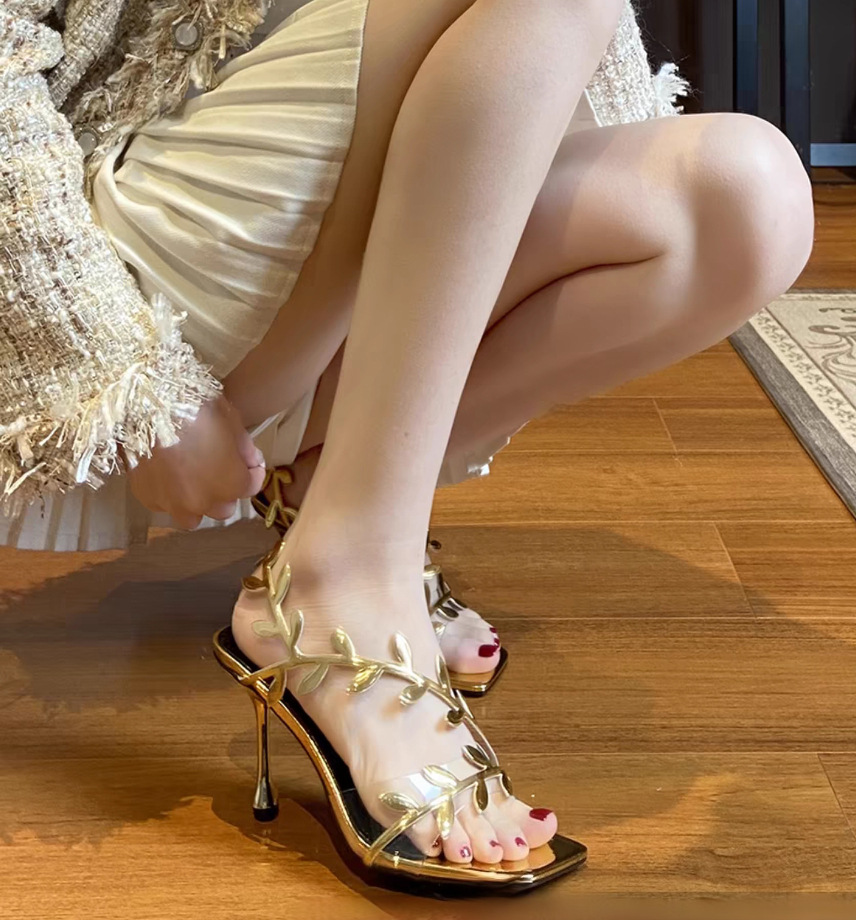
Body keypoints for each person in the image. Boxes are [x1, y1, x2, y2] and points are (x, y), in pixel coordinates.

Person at [0, 0, 814, 892]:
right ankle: (342, 574)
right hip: (111, 284)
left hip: (328, 275)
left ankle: (336, 495)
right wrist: (126, 378)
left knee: (746, 202)